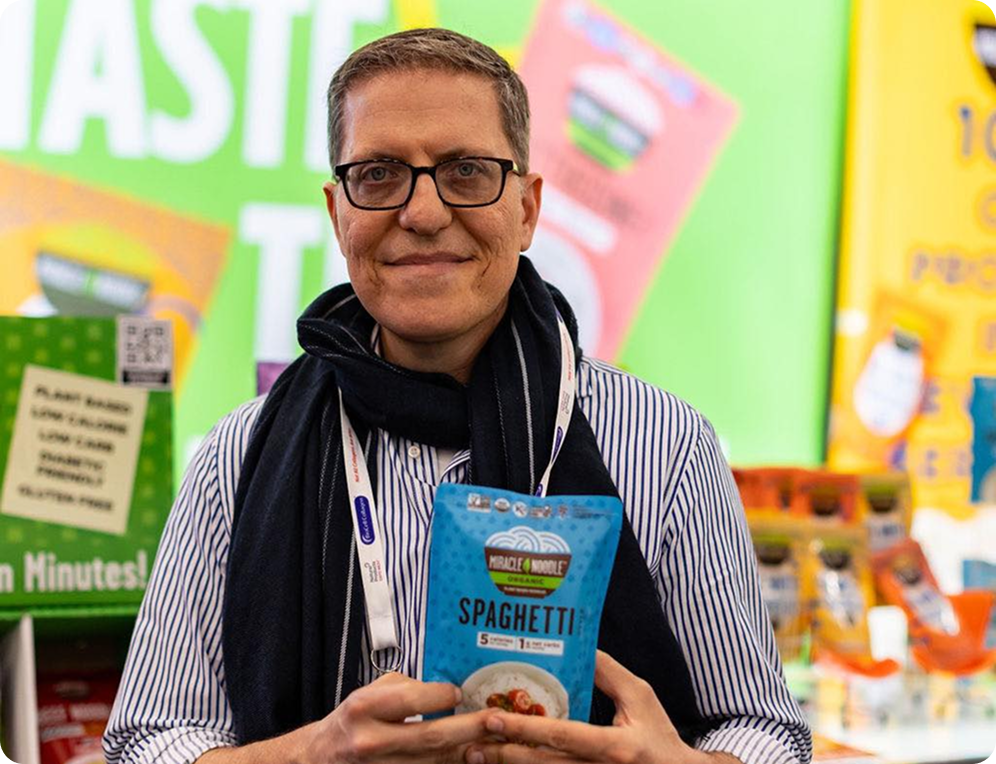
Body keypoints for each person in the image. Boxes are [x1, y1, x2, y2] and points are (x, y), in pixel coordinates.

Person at [104, 27, 811, 764]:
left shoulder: (665, 443)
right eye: (378, 174)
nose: (424, 212)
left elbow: (764, 731)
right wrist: (309, 755)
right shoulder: (239, 454)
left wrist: (662, 763)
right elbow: (149, 738)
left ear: (529, 207)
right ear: (338, 211)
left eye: (467, 171)